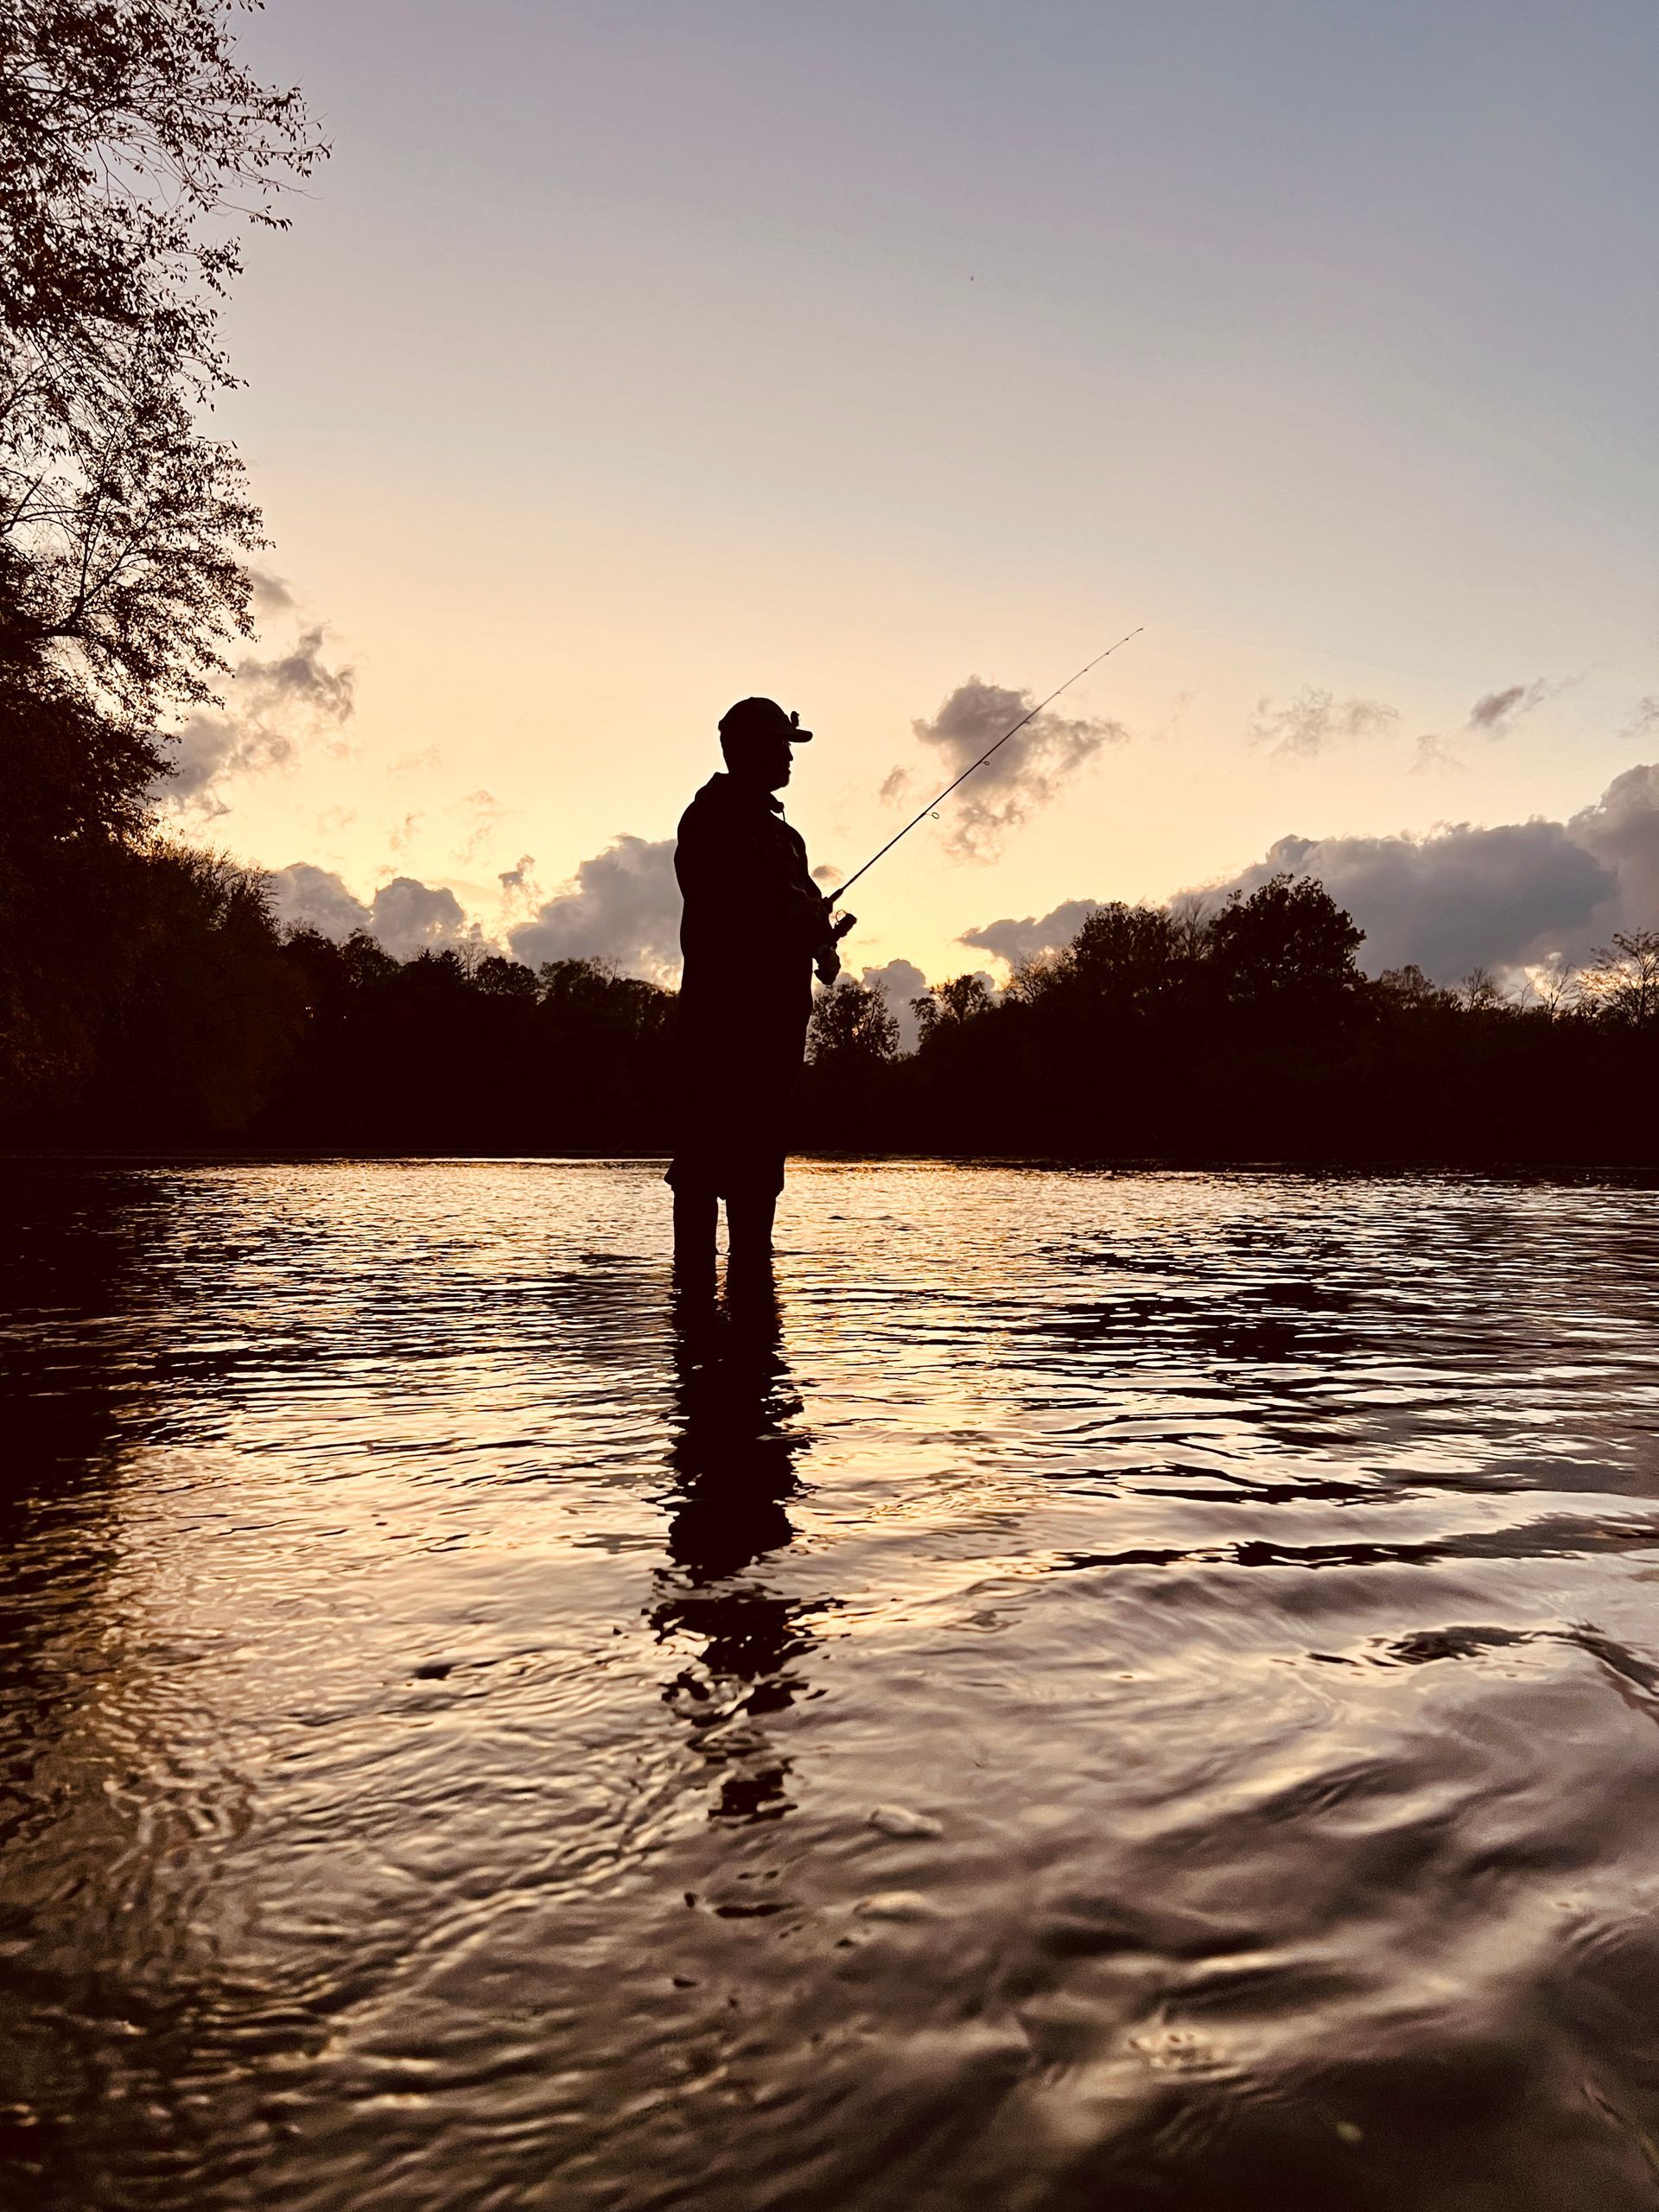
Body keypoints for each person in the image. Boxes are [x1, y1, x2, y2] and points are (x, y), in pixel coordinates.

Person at [666, 696, 850, 1279]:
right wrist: (786, 920)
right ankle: (692, 1281)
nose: (787, 757)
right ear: (741, 747)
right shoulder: (708, 819)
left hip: (778, 1023)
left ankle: (752, 1274)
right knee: (703, 1155)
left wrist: (822, 944)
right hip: (720, 1019)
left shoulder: (789, 839)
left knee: (762, 1156)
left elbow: (799, 913)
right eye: (778, 744)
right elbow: (719, 908)